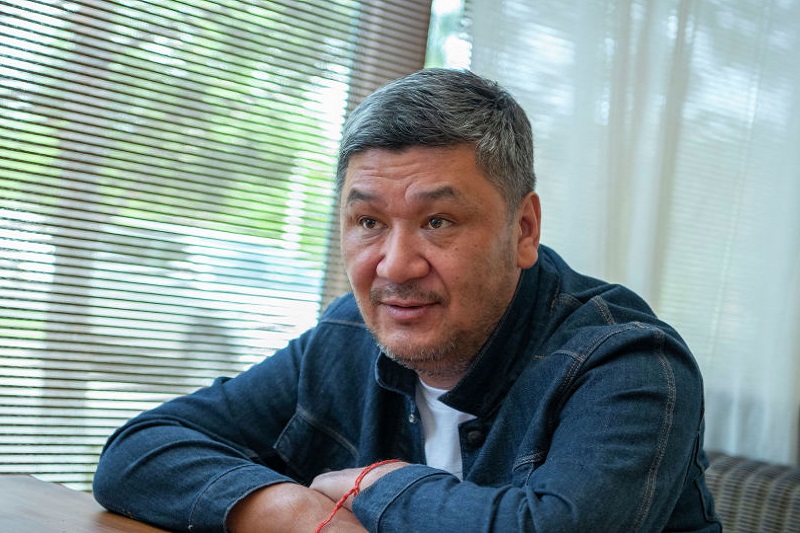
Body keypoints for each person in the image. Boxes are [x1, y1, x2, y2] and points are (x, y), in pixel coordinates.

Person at [93, 68, 721, 532]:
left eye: (438, 221)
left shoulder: (631, 363)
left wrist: (375, 486)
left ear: (523, 230)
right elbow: (140, 451)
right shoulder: (347, 334)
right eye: (368, 222)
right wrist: (290, 511)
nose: (394, 266)